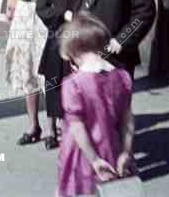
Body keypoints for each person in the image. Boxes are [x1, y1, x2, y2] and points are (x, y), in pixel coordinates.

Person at [57, 11, 135, 197]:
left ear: (74, 52)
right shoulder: (122, 78)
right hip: (113, 149)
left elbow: (77, 128)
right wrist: (126, 151)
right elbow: (128, 120)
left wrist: (94, 159)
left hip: (82, 154)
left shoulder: (73, 84)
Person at [4, 0, 65, 146]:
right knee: (27, 71)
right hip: (23, 17)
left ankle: (51, 128)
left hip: (47, 18)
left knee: (49, 73)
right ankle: (33, 125)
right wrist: (11, 12)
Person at [35, 0, 89, 150]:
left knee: (82, 86)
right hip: (60, 37)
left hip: (87, 40)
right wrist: (64, 14)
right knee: (54, 82)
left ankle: (79, 131)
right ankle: (49, 129)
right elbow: (42, 7)